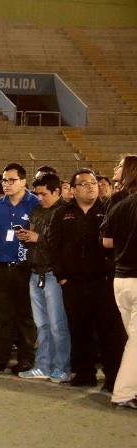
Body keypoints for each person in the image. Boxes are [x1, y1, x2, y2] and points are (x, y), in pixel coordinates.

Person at [49, 168, 126, 391]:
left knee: (109, 332)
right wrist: (62, 277)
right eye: (84, 184)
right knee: (79, 329)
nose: (91, 186)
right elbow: (54, 246)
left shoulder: (109, 209)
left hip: (103, 281)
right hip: (73, 283)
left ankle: (113, 377)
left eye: (93, 182)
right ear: (72, 190)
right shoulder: (62, 213)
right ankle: (84, 373)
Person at [0, 163, 39, 373]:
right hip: (0, 266)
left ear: (24, 181)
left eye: (11, 180)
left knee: (25, 317)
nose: (6, 184)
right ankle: (0, 359)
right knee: (3, 317)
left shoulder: (34, 203)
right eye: (4, 180)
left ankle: (26, 360)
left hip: (25, 267)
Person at [16, 173, 70, 383]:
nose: (39, 198)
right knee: (42, 325)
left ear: (57, 192)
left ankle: (62, 367)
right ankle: (43, 365)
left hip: (53, 273)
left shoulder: (66, 212)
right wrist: (28, 237)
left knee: (57, 324)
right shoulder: (37, 210)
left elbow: (64, 245)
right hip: (36, 271)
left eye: (44, 194)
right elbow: (37, 240)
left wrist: (38, 238)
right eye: (37, 193)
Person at [101, 154, 137, 408]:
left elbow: (106, 241)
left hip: (121, 278)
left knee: (132, 338)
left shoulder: (119, 203)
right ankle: (124, 392)